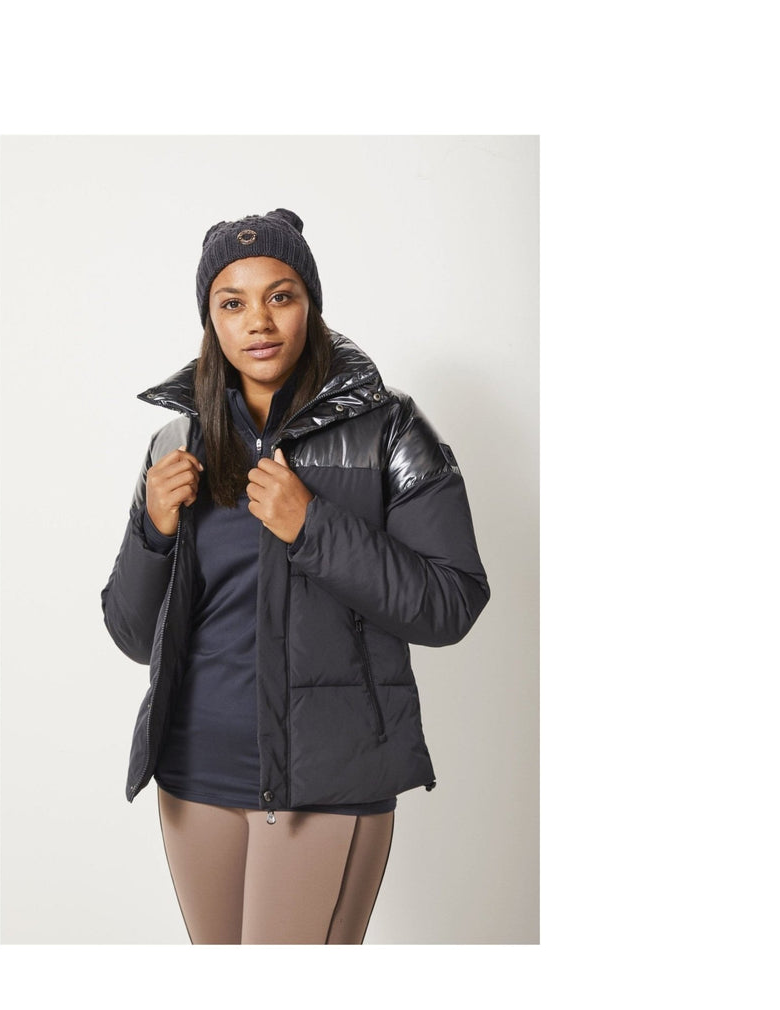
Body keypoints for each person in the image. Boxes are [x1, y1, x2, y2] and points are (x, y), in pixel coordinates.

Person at [101, 208, 489, 944]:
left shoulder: (389, 430)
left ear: (310, 303)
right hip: (193, 774)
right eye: (232, 302)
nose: (259, 321)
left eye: (280, 296)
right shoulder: (176, 442)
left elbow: (452, 601)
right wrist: (153, 530)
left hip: (325, 780)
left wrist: (313, 526)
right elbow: (132, 634)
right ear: (211, 319)